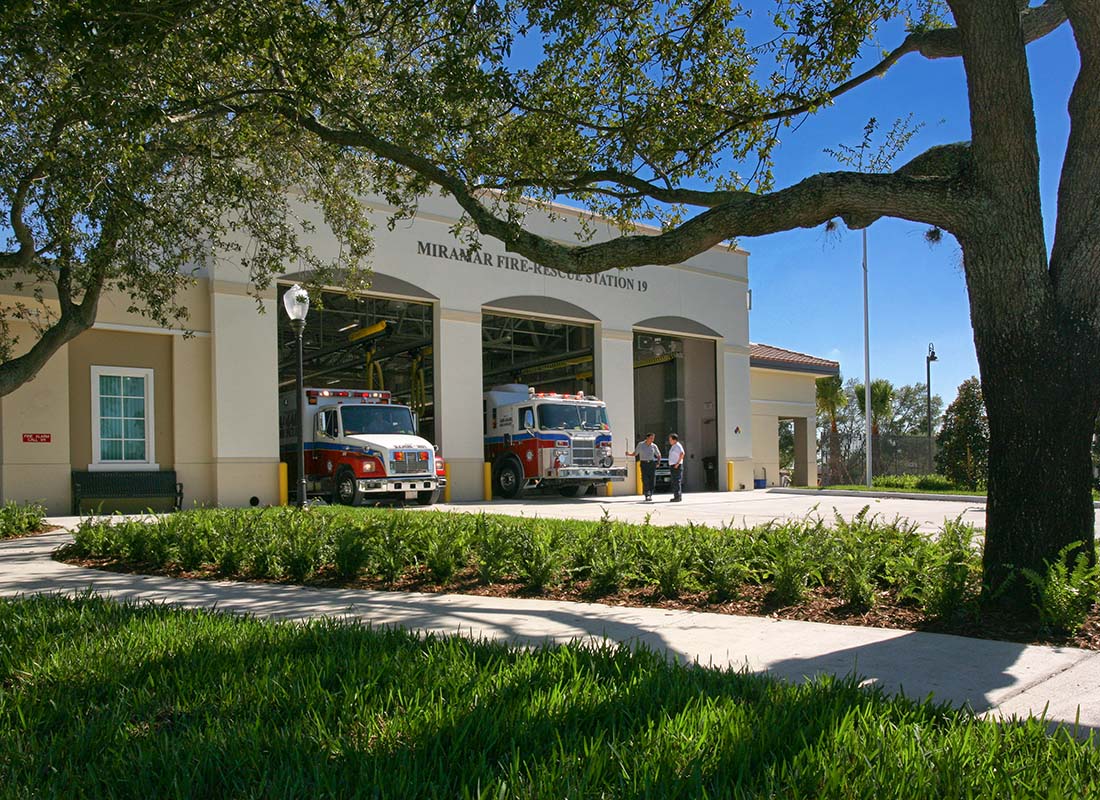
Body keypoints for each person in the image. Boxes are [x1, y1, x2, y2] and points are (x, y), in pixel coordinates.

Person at [626, 433, 661, 501]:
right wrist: (629, 454)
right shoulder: (641, 445)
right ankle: (647, 494)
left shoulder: (654, 446)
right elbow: (635, 453)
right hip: (644, 463)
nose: (652, 440)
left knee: (652, 479)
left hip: (651, 463)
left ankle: (650, 493)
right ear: (647, 438)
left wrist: (658, 462)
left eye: (653, 438)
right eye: (651, 438)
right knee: (645, 479)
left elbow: (659, 455)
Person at [667, 433, 684, 502]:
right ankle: (676, 496)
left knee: (676, 481)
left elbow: (682, 453)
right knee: (674, 481)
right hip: (673, 465)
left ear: (675, 440)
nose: (669, 441)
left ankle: (678, 497)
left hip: (676, 466)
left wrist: (678, 463)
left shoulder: (678, 446)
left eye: (670, 440)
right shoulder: (673, 446)